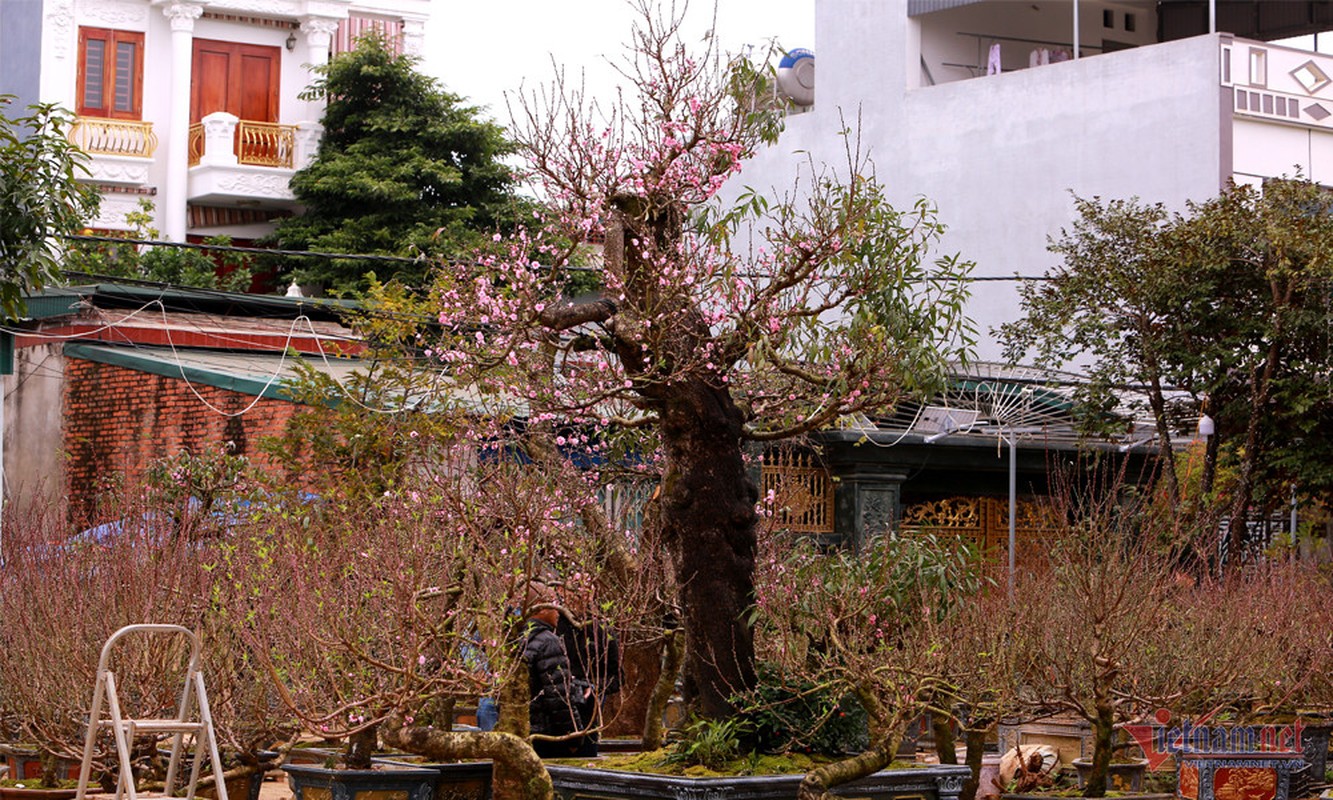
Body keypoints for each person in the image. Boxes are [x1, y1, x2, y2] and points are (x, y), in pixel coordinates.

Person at [557, 587, 622, 757]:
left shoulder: (602, 630)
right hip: (556, 710)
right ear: (561, 589)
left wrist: (594, 686)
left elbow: (617, 677)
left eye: (587, 589)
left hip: (589, 713)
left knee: (586, 754)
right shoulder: (553, 624)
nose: (581, 594)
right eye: (576, 587)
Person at [523, 595, 582, 757]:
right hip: (547, 734)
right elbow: (560, 695)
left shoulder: (515, 638)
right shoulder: (549, 642)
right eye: (554, 607)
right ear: (540, 608)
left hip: (522, 729)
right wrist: (573, 736)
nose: (558, 612)